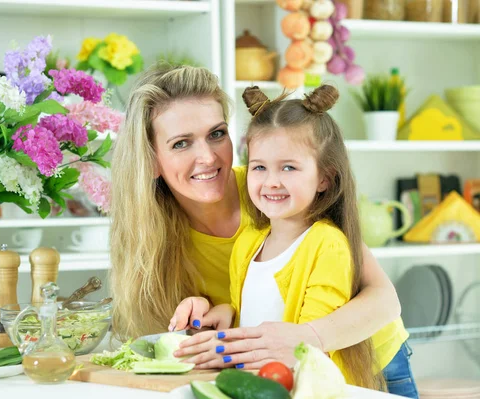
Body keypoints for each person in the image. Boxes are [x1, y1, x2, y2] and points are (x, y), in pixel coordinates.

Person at [109, 63, 402, 373]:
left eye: (217, 134)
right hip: (277, 373)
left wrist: (306, 339)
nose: (208, 157)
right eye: (181, 143)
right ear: (151, 160)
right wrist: (205, 320)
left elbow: (385, 300)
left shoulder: (277, 198)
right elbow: (249, 317)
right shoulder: (153, 234)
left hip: (366, 360)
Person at [170, 85, 417, 397]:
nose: (272, 180)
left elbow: (309, 349)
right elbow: (254, 306)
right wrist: (225, 312)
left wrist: (237, 352)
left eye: (289, 167)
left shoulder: (327, 244)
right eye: (259, 167)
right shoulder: (249, 243)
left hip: (353, 375)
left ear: (324, 178)